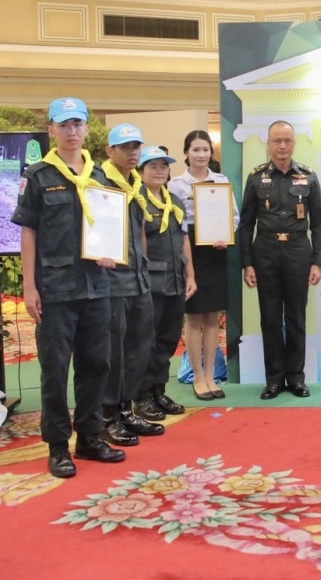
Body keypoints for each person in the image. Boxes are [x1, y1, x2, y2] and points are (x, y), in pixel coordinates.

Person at [10, 96, 124, 478]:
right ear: (51, 130)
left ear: (87, 129)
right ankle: (58, 445)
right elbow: (28, 232)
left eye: (77, 124)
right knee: (55, 371)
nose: (72, 131)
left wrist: (112, 254)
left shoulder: (100, 177)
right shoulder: (38, 176)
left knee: (97, 365)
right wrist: (29, 287)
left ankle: (90, 437)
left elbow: (110, 229)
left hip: (97, 287)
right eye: (64, 125)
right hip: (55, 290)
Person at [240, 121, 321, 399]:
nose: (282, 146)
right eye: (277, 141)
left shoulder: (308, 177)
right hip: (265, 251)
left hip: (298, 250)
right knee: (270, 317)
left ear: (294, 144)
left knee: (296, 316)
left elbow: (319, 223)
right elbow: (246, 224)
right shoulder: (256, 177)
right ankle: (274, 379)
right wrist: (247, 263)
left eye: (287, 141)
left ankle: (296, 378)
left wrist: (317, 261)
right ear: (268, 144)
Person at [99, 123, 163, 445]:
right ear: (110, 150)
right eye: (125, 147)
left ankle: (126, 409)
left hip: (139, 279)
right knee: (113, 353)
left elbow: (139, 231)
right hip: (112, 282)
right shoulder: (98, 182)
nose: (132, 152)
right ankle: (107, 416)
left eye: (136, 146)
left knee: (140, 348)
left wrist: (145, 265)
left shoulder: (136, 183)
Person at [168, 130, 239, 401]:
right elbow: (175, 223)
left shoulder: (221, 181)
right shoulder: (176, 185)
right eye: (196, 150)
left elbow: (234, 217)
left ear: (211, 152)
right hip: (190, 252)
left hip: (216, 251)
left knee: (213, 318)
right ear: (186, 153)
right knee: (194, 317)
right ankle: (197, 376)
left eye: (205, 149)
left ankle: (211, 375)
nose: (201, 155)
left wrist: (226, 236)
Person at [134, 145, 197, 420]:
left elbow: (184, 239)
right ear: (141, 171)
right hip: (150, 282)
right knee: (145, 341)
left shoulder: (175, 201)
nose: (159, 171)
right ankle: (142, 396)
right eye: (153, 166)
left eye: (163, 166)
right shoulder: (137, 201)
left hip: (175, 281)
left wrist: (190, 274)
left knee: (168, 339)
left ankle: (159, 391)